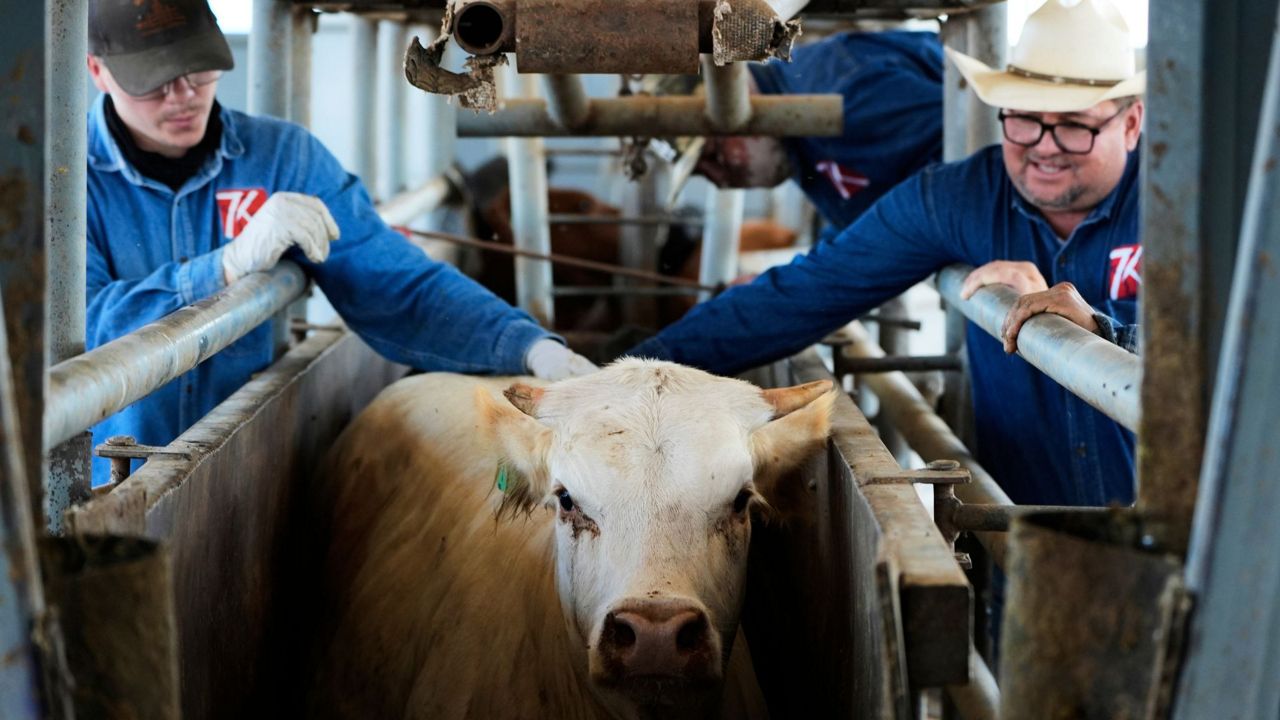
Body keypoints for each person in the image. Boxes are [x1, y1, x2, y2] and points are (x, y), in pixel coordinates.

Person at [629, 0, 1144, 508]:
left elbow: (1220, 354)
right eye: (1024, 120)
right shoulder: (958, 198)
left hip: (1185, 547)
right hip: (1029, 539)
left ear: (1131, 123)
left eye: (1077, 125)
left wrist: (1109, 330)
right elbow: (807, 292)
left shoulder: (1187, 209)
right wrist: (632, 370)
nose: (1045, 146)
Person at [85, 0, 595, 484]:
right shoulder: (62, 181)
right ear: (97, 71)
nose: (184, 95)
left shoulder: (282, 158)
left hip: (241, 474)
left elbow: (396, 282)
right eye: (154, 82)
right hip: (102, 478)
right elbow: (75, 326)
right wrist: (223, 268)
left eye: (199, 70)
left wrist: (528, 346)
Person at [694, 29, 944, 233]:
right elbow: (861, 227)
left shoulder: (844, 99)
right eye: (698, 175)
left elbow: (970, 151)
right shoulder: (798, 137)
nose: (719, 179)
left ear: (733, 92)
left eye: (714, 152)